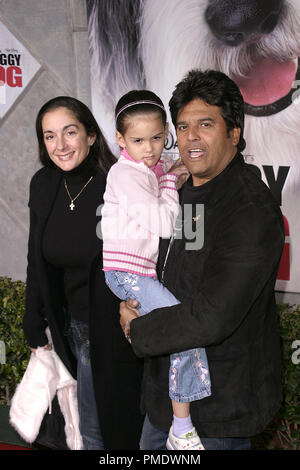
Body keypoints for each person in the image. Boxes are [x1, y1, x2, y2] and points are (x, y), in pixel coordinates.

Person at [120, 70, 285, 450]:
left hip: (216, 412)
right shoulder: (182, 193)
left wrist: (137, 329)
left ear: (234, 132)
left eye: (205, 124)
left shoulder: (250, 208)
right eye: (182, 126)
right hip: (166, 400)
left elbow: (212, 316)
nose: (190, 137)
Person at [22, 96, 144, 450]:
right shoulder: (43, 184)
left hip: (111, 331)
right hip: (67, 330)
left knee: (99, 434)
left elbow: (144, 258)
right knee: (78, 431)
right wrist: (33, 320)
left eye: (69, 132)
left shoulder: (118, 183)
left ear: (91, 135)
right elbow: (36, 256)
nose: (60, 145)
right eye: (49, 136)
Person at [101, 89, 210, 450]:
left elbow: (167, 167)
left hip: (137, 273)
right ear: (119, 139)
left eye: (157, 138)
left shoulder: (146, 167)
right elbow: (165, 224)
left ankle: (181, 425)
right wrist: (168, 184)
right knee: (184, 333)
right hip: (128, 274)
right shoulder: (126, 176)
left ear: (166, 132)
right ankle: (181, 427)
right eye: (138, 140)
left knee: (180, 335)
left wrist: (168, 171)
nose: (149, 149)